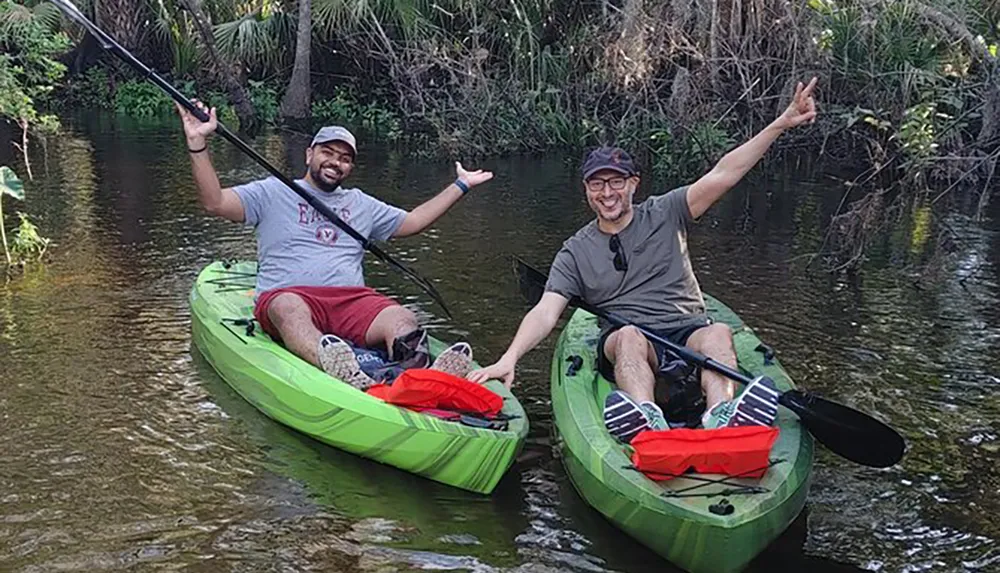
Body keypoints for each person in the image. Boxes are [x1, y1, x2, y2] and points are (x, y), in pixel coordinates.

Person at [469, 78, 819, 442]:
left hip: (687, 331)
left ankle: (721, 415)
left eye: (616, 182)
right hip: (630, 342)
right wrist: (509, 357)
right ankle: (646, 417)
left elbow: (725, 173)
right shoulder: (575, 251)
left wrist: (780, 123)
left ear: (634, 183)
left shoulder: (667, 212)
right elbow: (545, 311)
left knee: (717, 333)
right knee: (630, 336)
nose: (607, 193)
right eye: (597, 184)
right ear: (587, 191)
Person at [178, 100, 494, 390]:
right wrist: (197, 142)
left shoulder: (360, 204)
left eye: (344, 159)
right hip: (289, 297)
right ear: (309, 154)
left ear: (350, 168)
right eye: (327, 152)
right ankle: (345, 372)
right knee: (289, 308)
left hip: (351, 301)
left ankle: (423, 382)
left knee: (403, 318)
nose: (335, 162)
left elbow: (413, 222)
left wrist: (461, 185)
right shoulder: (273, 192)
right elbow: (214, 202)